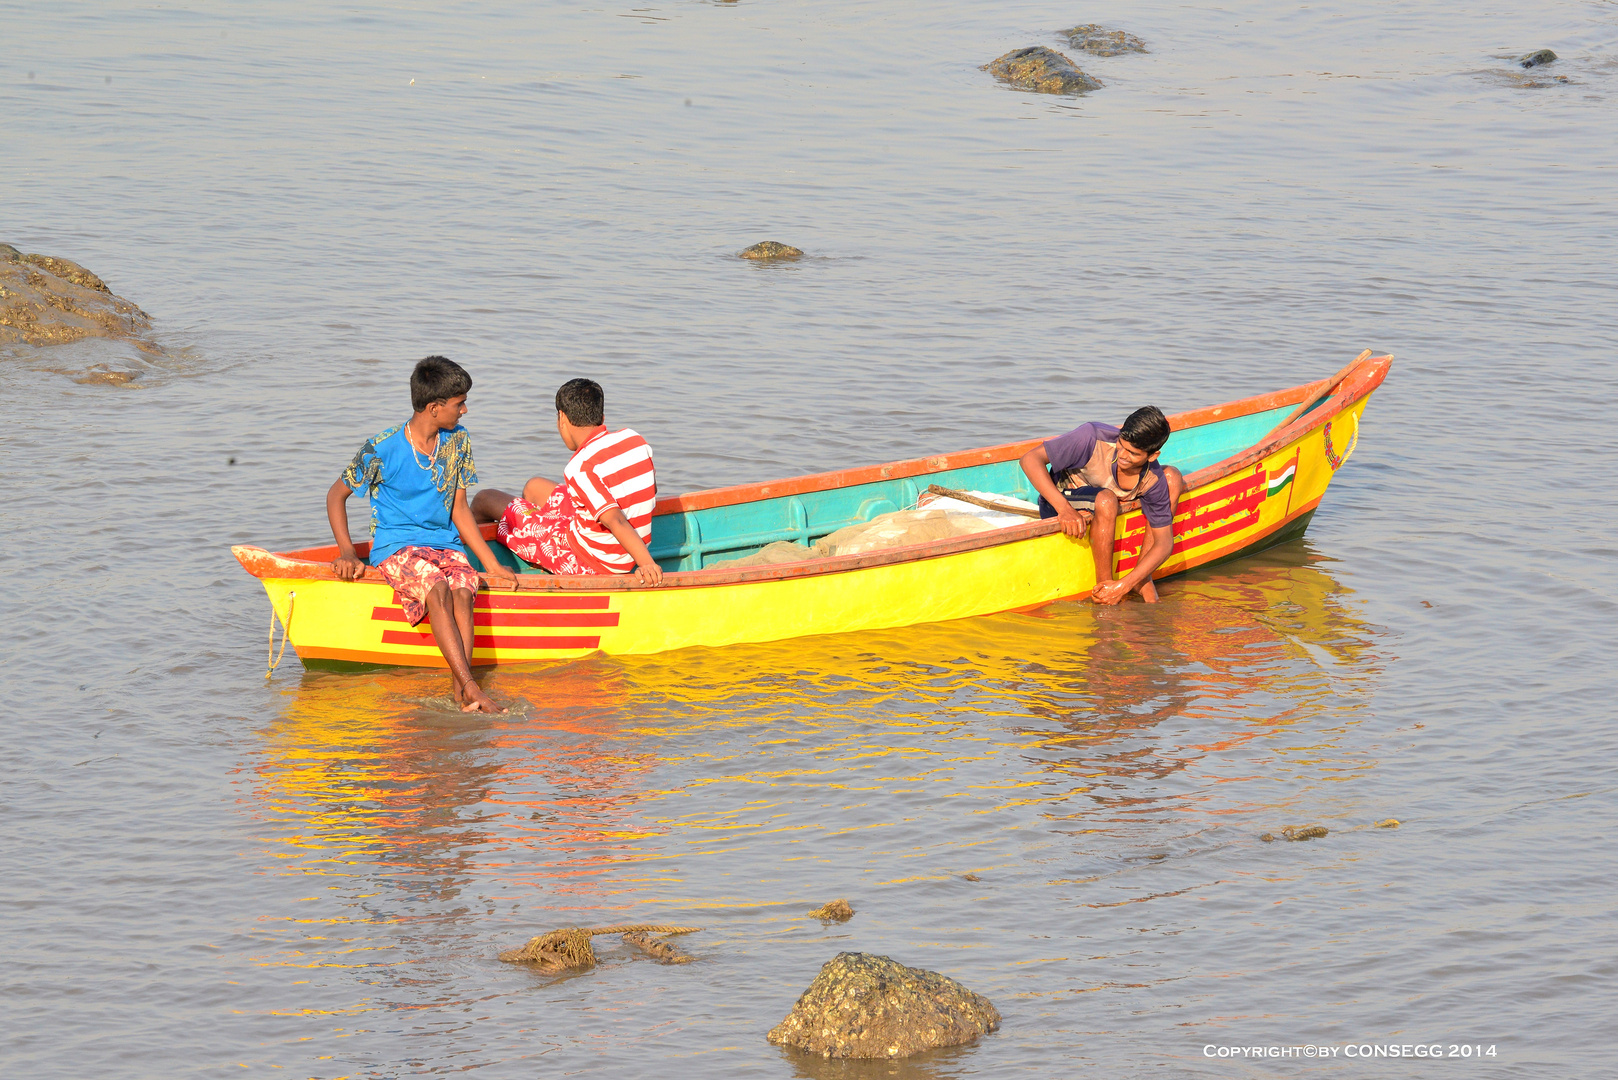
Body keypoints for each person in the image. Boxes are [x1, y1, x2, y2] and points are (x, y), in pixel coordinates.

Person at [326, 355, 518, 713]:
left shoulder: (458, 442)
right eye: (459, 404)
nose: (464, 411)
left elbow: (460, 509)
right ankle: (472, 686)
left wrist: (492, 565)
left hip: (444, 544)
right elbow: (336, 495)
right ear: (434, 407)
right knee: (437, 587)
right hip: (396, 546)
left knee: (464, 588)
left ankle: (460, 693)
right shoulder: (382, 448)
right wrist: (348, 551)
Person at [471, 378, 664, 586]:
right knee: (534, 487)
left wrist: (646, 564)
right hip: (616, 547)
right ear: (601, 415)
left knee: (484, 499)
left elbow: (615, 519)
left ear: (562, 418)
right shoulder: (634, 439)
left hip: (589, 560)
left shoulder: (580, 467)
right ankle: (534, 523)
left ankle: (475, 560)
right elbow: (649, 491)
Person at [1019, 405, 1185, 605]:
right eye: (1121, 445)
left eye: (1133, 453)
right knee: (1106, 499)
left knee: (1172, 477)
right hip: (1059, 500)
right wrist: (1064, 509)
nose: (1122, 455)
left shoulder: (1152, 478)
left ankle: (1141, 578)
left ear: (1152, 456)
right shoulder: (1091, 436)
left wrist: (1125, 584)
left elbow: (1164, 543)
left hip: (1102, 499)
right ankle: (1104, 589)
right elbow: (1029, 459)